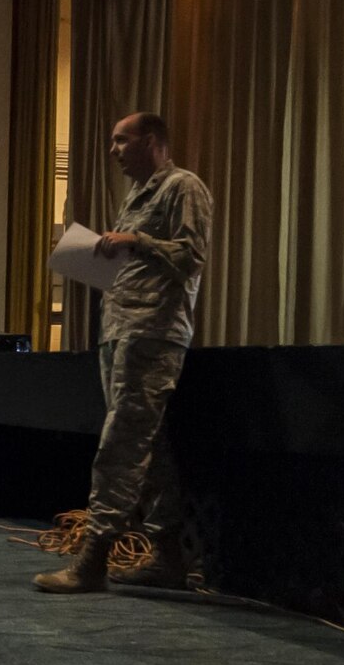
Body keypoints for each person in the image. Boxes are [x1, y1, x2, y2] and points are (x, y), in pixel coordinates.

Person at [35, 112, 212, 594]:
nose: (112, 150)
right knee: (147, 448)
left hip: (152, 332)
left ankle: (93, 560)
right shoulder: (137, 195)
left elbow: (191, 258)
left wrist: (137, 239)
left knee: (120, 446)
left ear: (152, 141)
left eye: (121, 140)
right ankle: (168, 557)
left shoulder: (183, 186)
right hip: (121, 329)